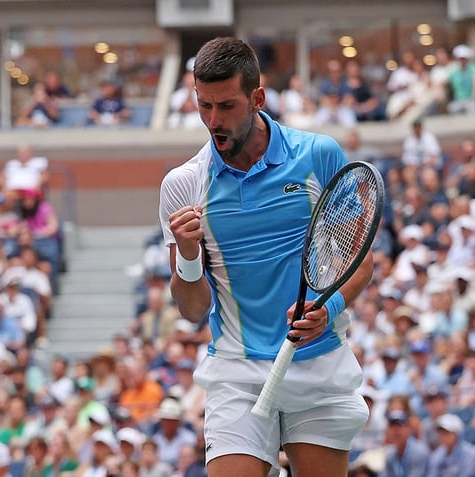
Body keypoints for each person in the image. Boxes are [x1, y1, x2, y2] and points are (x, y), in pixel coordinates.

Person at [159, 37, 372, 477]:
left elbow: (360, 260)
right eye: (204, 106)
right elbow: (193, 309)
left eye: (226, 106)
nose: (213, 121)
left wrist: (327, 308)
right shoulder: (182, 185)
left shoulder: (318, 155)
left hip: (317, 363)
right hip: (237, 372)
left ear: (258, 97)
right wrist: (186, 254)